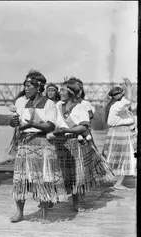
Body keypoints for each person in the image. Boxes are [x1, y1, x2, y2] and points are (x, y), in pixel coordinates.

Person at [9, 70, 67, 222]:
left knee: (44, 177)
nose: (26, 88)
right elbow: (14, 122)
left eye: (29, 86)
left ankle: (44, 214)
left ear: (39, 87)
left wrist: (31, 124)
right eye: (25, 85)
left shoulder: (49, 104)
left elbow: (50, 125)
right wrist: (13, 122)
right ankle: (20, 213)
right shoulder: (21, 102)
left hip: (43, 143)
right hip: (25, 142)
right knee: (21, 179)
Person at [47, 79, 114, 211]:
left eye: (63, 90)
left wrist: (67, 130)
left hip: (74, 143)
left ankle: (76, 203)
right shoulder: (57, 105)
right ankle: (51, 198)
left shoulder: (81, 107)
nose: (60, 92)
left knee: (75, 174)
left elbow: (83, 127)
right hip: (59, 143)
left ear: (71, 93)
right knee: (57, 172)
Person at [102, 80, 137, 190]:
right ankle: (118, 183)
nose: (123, 95)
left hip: (117, 132)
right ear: (118, 95)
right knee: (126, 157)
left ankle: (115, 179)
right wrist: (129, 87)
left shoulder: (114, 105)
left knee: (118, 156)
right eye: (122, 93)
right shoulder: (117, 105)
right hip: (122, 133)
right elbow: (129, 100)